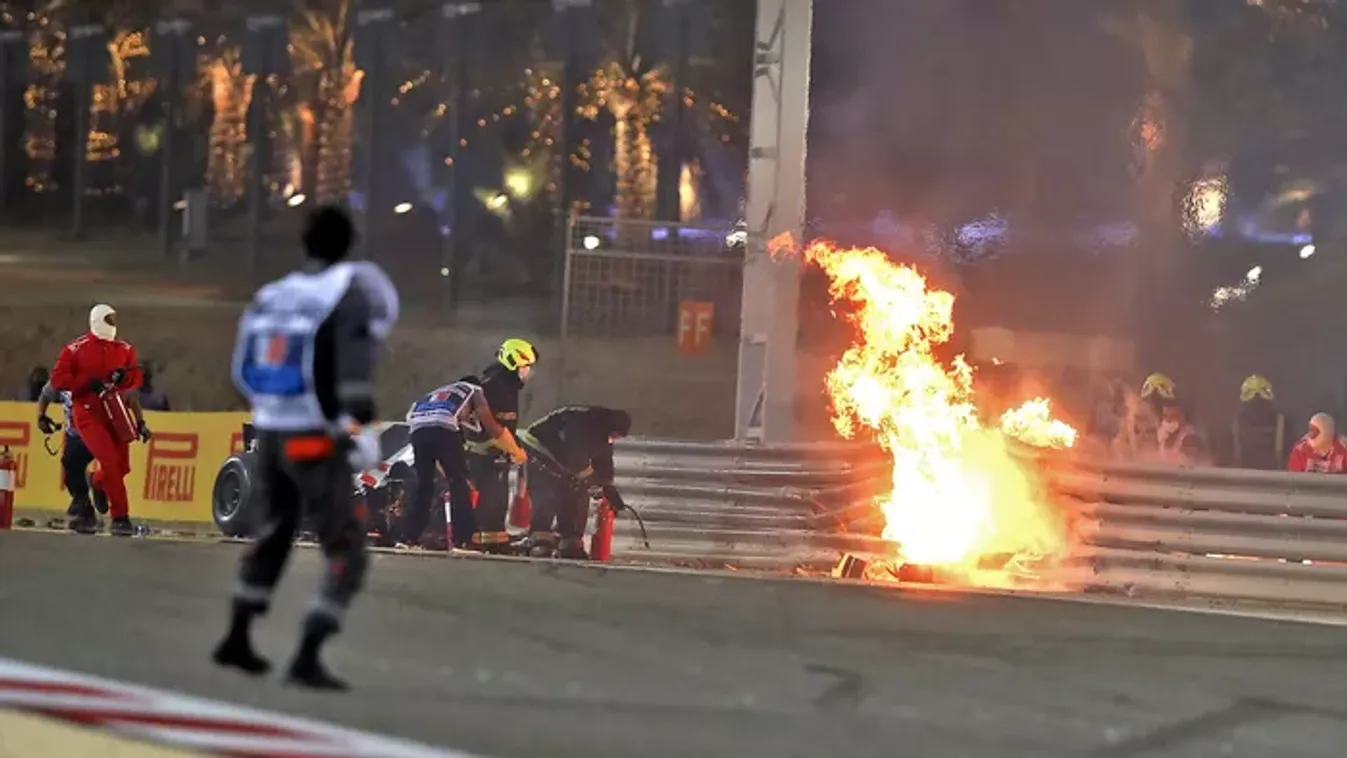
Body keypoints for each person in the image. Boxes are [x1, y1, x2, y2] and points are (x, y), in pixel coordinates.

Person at [212, 205, 399, 691]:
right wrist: (359, 425)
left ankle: (237, 635)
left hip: (269, 431)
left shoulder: (270, 295)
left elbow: (241, 371)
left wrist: (273, 409)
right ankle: (308, 654)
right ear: (349, 245)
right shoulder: (347, 293)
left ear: (304, 242)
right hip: (313, 435)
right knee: (346, 548)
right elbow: (353, 371)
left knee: (273, 532)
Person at [48, 304, 142, 537]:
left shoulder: (124, 348)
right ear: (97, 320)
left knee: (122, 466)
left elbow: (135, 377)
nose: (113, 324)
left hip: (115, 410)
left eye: (114, 319)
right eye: (108, 319)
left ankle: (98, 482)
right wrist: (85, 383)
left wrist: (124, 376)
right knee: (108, 460)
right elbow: (58, 379)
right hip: (88, 413)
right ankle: (120, 517)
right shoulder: (75, 349)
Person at [401, 376, 527, 548]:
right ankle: (466, 538)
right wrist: (516, 452)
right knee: (459, 486)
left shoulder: (438, 394)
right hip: (443, 428)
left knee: (425, 487)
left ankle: (409, 537)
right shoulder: (474, 390)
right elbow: (492, 428)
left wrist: (451, 472)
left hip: (418, 431)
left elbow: (439, 454)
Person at [519, 405, 632, 559]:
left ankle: (570, 540)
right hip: (541, 449)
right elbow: (576, 460)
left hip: (564, 457)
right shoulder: (581, 425)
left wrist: (608, 487)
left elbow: (604, 462)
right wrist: (593, 484)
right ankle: (541, 539)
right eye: (614, 435)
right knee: (546, 493)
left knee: (576, 492)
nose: (614, 438)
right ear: (608, 428)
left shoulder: (604, 435)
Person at [463, 338, 538, 552]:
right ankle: (489, 542)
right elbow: (496, 429)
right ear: (514, 363)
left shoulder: (497, 383)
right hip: (485, 455)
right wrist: (515, 451)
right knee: (492, 500)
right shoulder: (499, 387)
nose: (528, 372)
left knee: (496, 499)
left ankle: (495, 539)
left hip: (487, 453)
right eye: (526, 366)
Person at [1233, 374, 1284, 470]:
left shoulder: (1281, 422)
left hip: (1272, 476)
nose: (1257, 404)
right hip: (1245, 475)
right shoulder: (1238, 423)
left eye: (1260, 401)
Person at [1156, 398, 1207, 466]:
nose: (1168, 420)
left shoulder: (1191, 438)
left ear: (1182, 417)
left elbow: (1186, 463)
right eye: (1165, 416)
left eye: (1173, 416)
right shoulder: (1160, 434)